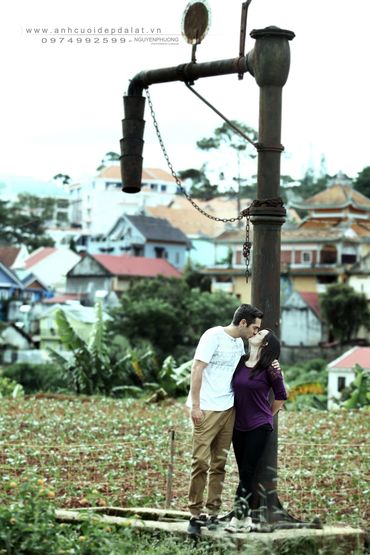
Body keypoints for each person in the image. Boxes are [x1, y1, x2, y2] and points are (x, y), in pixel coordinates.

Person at [186, 304, 264, 538]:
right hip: (207, 409)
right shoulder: (212, 336)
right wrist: (196, 405)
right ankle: (194, 514)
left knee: (219, 463)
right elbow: (197, 369)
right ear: (242, 323)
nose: (255, 332)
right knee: (200, 461)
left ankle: (212, 512)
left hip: (228, 409)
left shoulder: (239, 344)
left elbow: (246, 370)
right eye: (254, 327)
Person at [225, 328, 288, 533]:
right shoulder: (240, 362)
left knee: (247, 471)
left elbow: (280, 396)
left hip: (258, 426)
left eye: (260, 334)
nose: (255, 333)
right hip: (237, 425)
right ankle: (246, 521)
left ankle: (238, 518)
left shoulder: (270, 368)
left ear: (265, 344)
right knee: (244, 472)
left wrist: (267, 415)